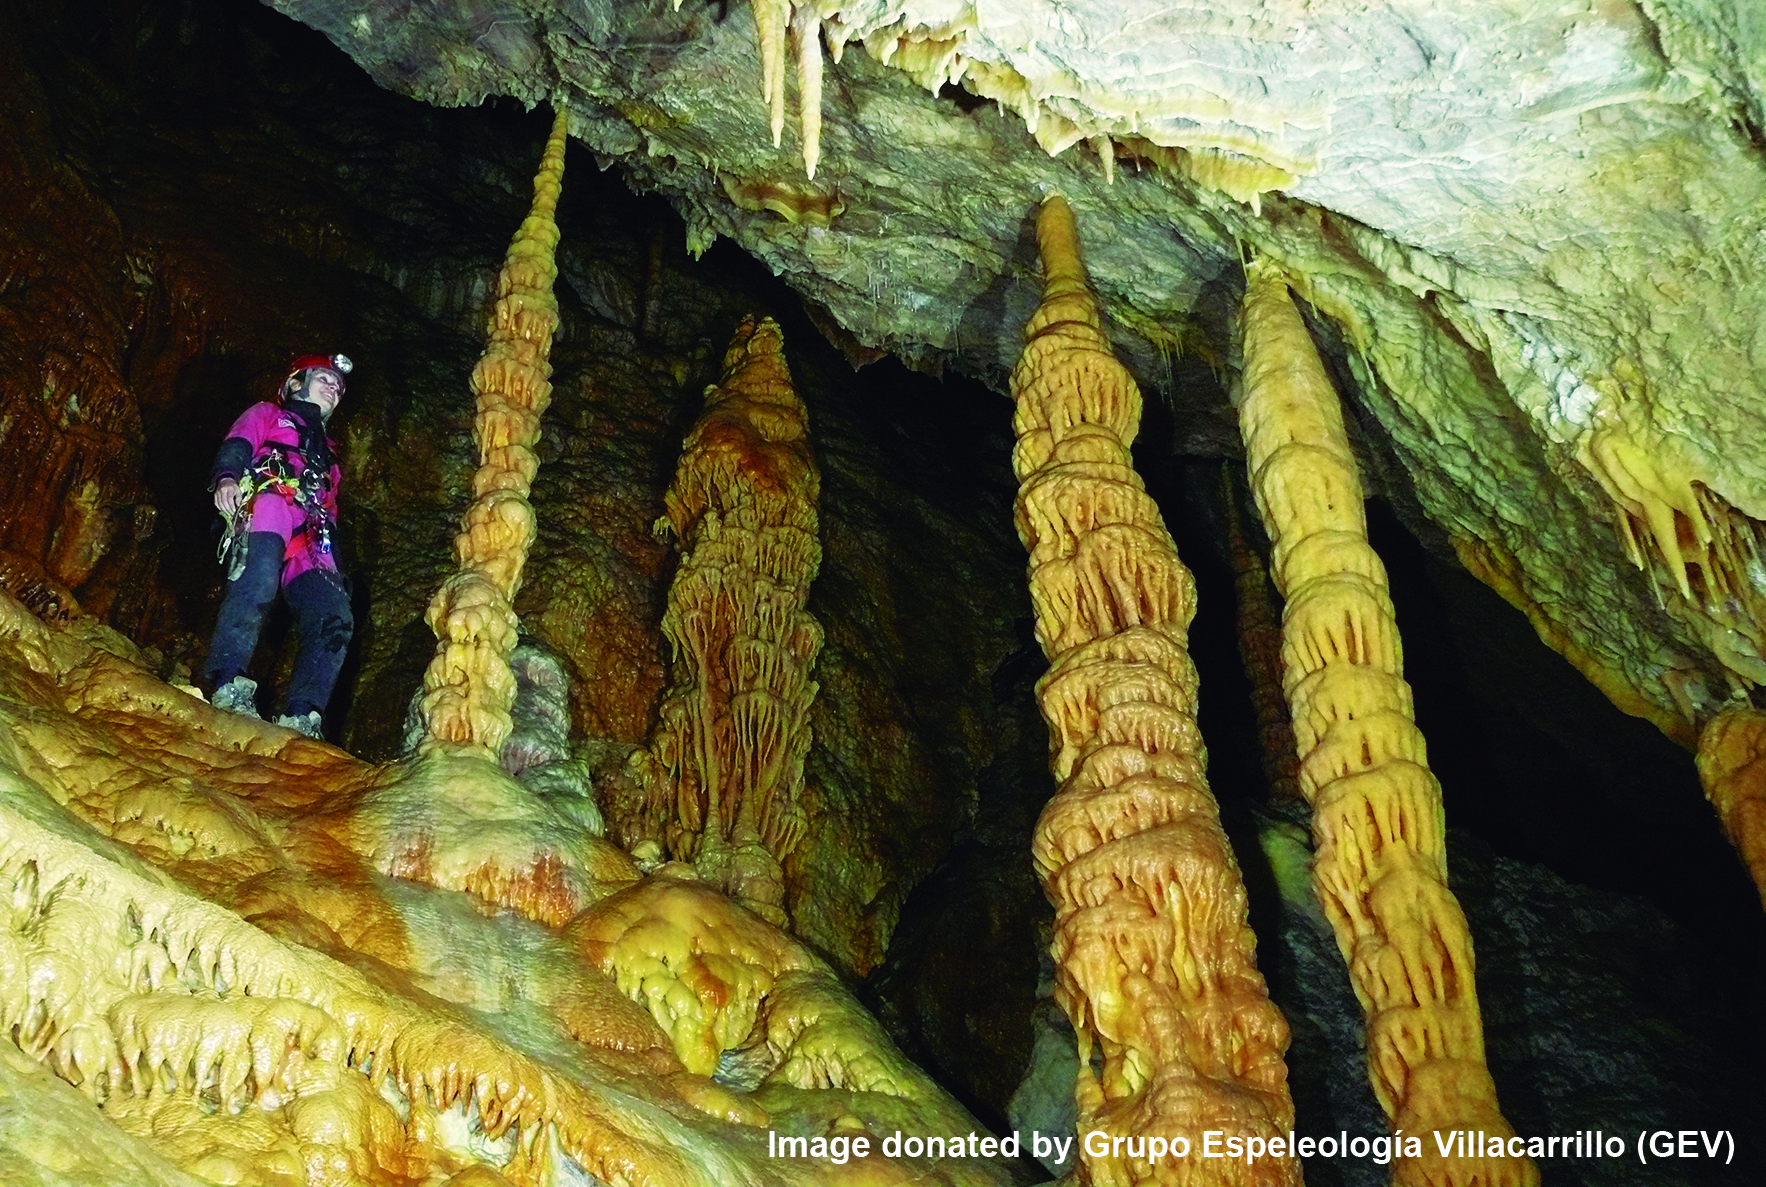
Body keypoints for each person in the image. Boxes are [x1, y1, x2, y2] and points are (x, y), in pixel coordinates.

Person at [201, 353, 355, 740]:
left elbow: (330, 507)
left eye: (338, 387)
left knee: (335, 614)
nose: (333, 389)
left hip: (312, 531)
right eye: (324, 379)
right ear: (295, 383)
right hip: (271, 504)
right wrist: (226, 478)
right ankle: (226, 680)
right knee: (258, 581)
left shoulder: (330, 456)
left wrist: (334, 564)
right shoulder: (269, 413)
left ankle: (303, 716)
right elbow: (239, 442)